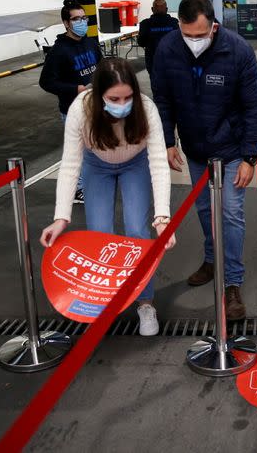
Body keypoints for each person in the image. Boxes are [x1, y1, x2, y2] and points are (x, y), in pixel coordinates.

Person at [152, 0, 257, 321]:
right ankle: (211, 257)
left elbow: (255, 107)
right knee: (204, 210)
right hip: (195, 149)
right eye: (187, 35)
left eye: (200, 36)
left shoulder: (237, 50)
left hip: (231, 150)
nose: (193, 43)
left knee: (230, 213)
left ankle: (232, 282)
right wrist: (167, 140)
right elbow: (162, 98)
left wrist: (249, 157)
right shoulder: (168, 49)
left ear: (214, 26)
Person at [39, 58, 174, 336]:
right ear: (98, 93)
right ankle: (104, 301)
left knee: (138, 232)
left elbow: (159, 161)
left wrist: (163, 217)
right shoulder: (81, 109)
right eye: (114, 98)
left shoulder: (146, 108)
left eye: (128, 97)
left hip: (134, 164)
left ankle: (145, 303)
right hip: (96, 166)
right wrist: (61, 217)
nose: (122, 103)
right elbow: (70, 164)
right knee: (100, 235)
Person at [39, 0, 103, 204]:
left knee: (94, 148)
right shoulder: (59, 51)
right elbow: (46, 82)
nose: (82, 22)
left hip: (95, 106)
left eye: (84, 18)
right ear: (66, 23)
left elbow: (100, 67)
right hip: (73, 109)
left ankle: (91, 183)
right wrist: (77, 89)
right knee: (78, 152)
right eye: (76, 19)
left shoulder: (91, 43)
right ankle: (78, 190)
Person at [137, 0, 179, 75]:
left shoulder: (145, 24)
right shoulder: (174, 22)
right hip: (171, 60)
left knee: (155, 83)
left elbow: (141, 43)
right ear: (166, 9)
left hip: (153, 60)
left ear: (152, 9)